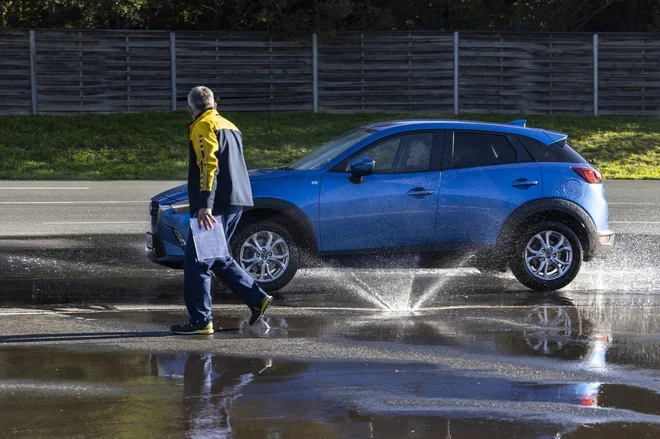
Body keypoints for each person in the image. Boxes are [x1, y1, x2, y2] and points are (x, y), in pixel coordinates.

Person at [171, 86, 272, 335]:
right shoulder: (229, 124)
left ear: (190, 109)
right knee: (216, 257)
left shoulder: (203, 126)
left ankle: (200, 320)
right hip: (235, 200)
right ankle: (257, 297)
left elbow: (209, 165)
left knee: (196, 262)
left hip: (215, 204)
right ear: (215, 104)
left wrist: (205, 204)